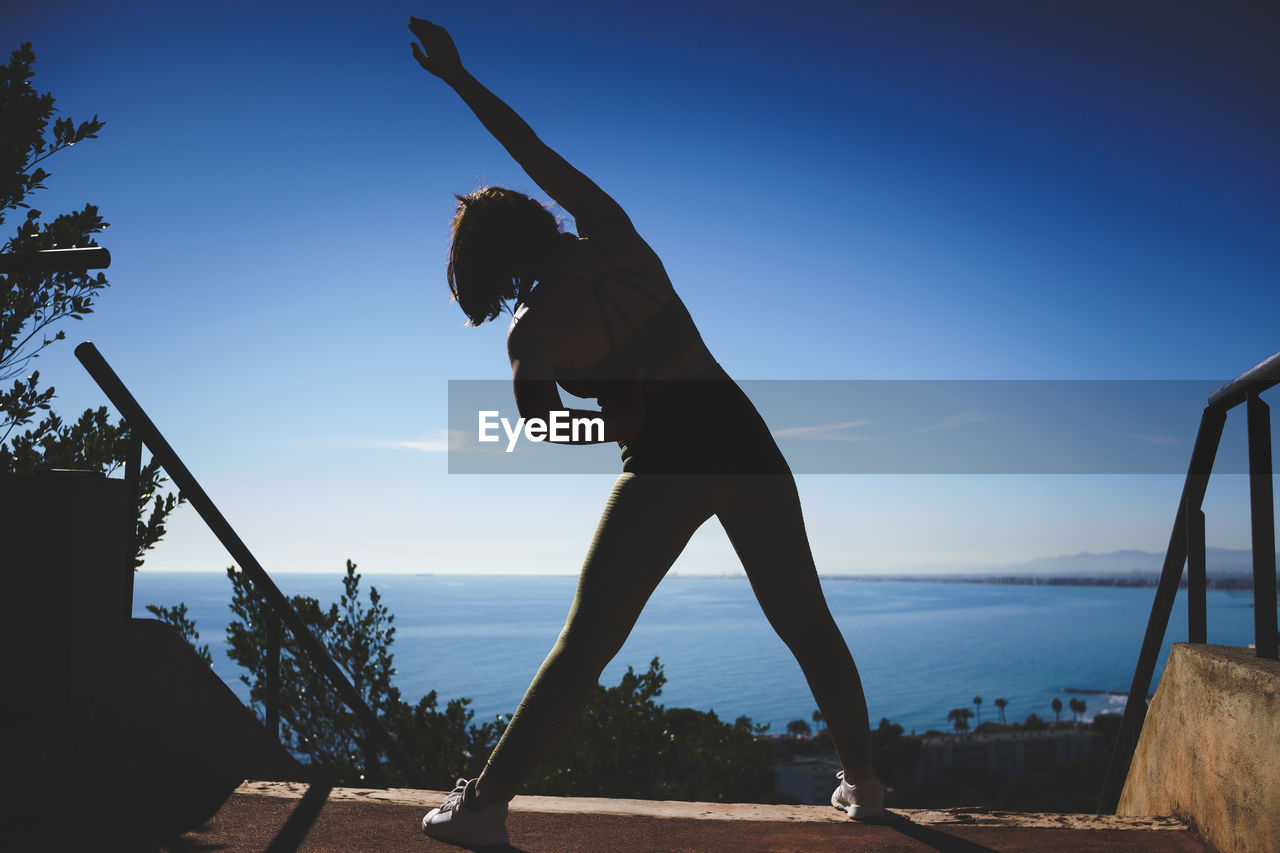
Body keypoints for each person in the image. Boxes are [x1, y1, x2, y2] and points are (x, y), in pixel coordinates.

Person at [409, 16, 885, 846]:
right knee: (806, 618)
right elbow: (532, 147)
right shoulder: (614, 236)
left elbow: (541, 425)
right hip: (741, 433)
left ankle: (484, 806)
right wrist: (460, 78)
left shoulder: (531, 329)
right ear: (535, 217)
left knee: (586, 641)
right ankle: (867, 783)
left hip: (664, 457)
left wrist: (607, 424)